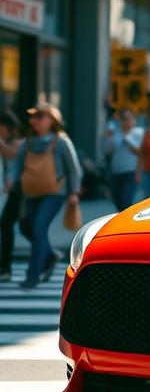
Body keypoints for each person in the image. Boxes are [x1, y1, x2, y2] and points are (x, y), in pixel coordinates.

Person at [7, 103, 81, 289]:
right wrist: (11, 178)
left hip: (54, 193)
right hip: (31, 192)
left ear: (52, 120)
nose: (35, 120)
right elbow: (17, 165)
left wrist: (74, 192)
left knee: (39, 228)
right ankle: (50, 256)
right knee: (27, 228)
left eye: (40, 117)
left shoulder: (61, 141)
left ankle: (33, 276)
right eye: (33, 117)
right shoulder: (28, 142)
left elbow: (73, 169)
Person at [102, 108, 143, 212]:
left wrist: (128, 140)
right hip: (116, 171)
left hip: (131, 171)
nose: (126, 121)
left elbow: (141, 152)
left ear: (134, 120)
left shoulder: (139, 133)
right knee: (117, 200)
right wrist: (107, 137)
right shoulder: (116, 134)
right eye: (123, 119)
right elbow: (106, 150)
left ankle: (128, 224)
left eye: (129, 118)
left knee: (126, 201)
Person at [0, 109, 24, 282]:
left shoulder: (17, 142)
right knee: (22, 227)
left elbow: (10, 153)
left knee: (7, 225)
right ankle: (48, 256)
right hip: (10, 192)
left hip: (19, 192)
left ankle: (6, 268)